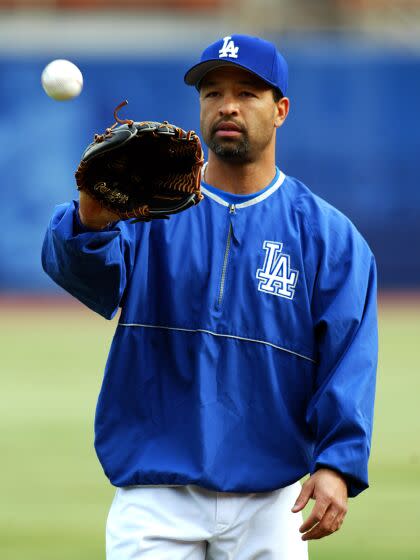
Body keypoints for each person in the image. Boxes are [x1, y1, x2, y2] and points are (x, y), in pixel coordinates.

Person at [42, 34, 378, 559]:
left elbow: (349, 359)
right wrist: (89, 221)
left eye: (247, 93)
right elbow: (87, 276)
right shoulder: (150, 209)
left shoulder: (329, 238)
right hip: (154, 495)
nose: (227, 105)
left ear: (281, 110)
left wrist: (337, 463)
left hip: (271, 500)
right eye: (212, 92)